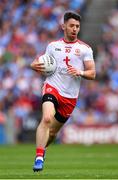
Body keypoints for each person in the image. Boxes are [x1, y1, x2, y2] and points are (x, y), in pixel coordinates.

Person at [31, 11, 96, 172]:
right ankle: (39, 157)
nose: (75, 29)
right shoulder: (53, 46)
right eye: (72, 25)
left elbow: (92, 73)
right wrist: (34, 65)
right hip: (52, 87)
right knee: (46, 118)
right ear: (63, 26)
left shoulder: (84, 49)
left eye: (77, 26)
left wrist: (80, 72)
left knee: (52, 133)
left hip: (70, 97)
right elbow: (43, 63)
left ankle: (42, 150)